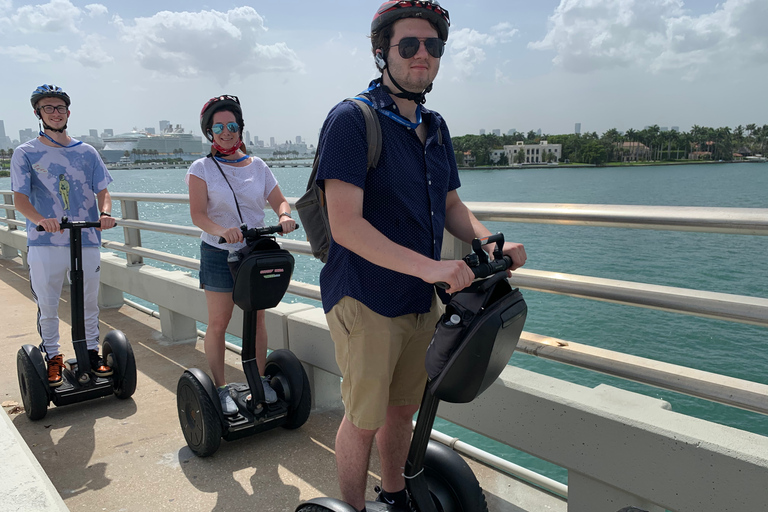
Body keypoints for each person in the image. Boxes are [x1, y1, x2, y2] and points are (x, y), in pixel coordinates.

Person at [314, 2, 527, 510]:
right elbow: (345, 225)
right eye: (408, 45)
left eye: (432, 46)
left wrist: (487, 240)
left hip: (420, 298)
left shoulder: (434, 126)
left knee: (402, 411)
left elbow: (451, 204)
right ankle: (353, 507)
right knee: (363, 418)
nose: (421, 55)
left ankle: (394, 495)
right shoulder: (351, 120)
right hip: (364, 297)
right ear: (381, 52)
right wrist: (432, 266)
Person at [186, 94, 297, 415]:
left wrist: (285, 216)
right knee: (219, 322)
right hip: (219, 253)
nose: (226, 131)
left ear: (240, 129)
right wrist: (222, 230)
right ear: (209, 131)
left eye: (232, 125)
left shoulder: (258, 166)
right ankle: (220, 387)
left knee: (259, 319)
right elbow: (198, 215)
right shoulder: (201, 168)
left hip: (254, 253)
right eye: (218, 126)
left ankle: (259, 380)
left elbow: (279, 200)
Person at [11, 84, 117, 387]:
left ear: (68, 112)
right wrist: (41, 220)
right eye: (48, 108)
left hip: (85, 238)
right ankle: (54, 357)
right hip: (45, 241)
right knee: (48, 303)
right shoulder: (26, 153)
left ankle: (91, 353)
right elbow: (20, 200)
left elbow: (103, 192)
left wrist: (105, 214)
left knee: (88, 302)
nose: (55, 113)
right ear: (38, 113)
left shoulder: (87, 152)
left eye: (60, 108)